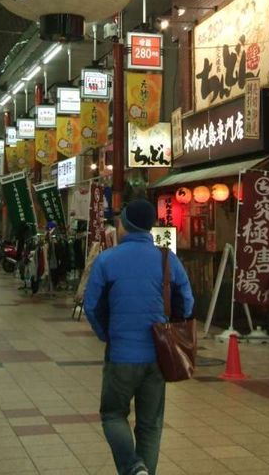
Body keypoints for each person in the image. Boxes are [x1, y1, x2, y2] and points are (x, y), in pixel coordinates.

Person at [84, 199, 194, 475]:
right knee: (150, 423)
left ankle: (133, 467)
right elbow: (187, 302)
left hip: (121, 354)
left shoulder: (107, 260)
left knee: (112, 414)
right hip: (158, 356)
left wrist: (107, 334)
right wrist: (170, 326)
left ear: (126, 225)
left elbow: (93, 306)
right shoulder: (166, 258)